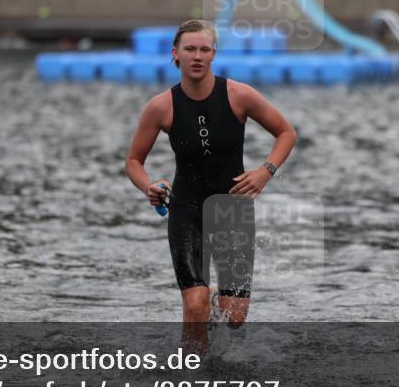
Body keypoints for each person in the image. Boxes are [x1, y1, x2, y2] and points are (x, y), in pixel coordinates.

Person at [125, 20, 297, 354]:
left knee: (234, 316)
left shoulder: (239, 95)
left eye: (205, 49)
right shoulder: (161, 106)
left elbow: (286, 132)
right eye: (190, 49)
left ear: (214, 54)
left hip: (232, 210)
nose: (197, 56)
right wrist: (149, 186)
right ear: (175, 54)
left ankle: (213, 300)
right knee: (194, 304)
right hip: (186, 209)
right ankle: (194, 376)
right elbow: (133, 161)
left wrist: (266, 171)